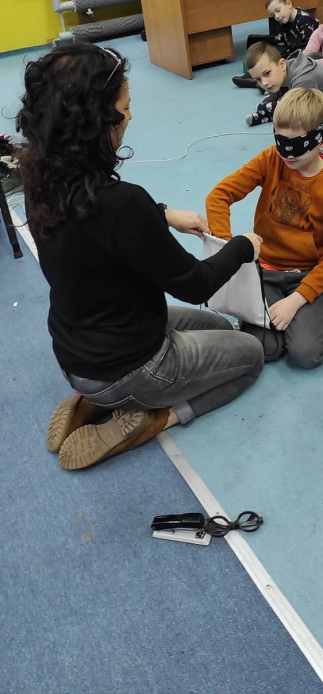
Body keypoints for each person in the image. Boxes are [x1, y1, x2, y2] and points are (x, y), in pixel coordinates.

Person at [16, 43, 264, 471]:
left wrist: (163, 214)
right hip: (130, 363)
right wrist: (243, 246)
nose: (130, 116)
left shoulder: (41, 180)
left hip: (78, 350)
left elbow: (99, 226)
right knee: (250, 354)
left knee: (219, 326)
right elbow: (196, 284)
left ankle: (93, 399)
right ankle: (155, 419)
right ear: (98, 122)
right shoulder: (123, 204)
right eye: (125, 108)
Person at [206, 88, 323, 367]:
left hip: (307, 272)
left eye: (296, 146)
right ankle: (312, 307)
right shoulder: (271, 159)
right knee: (266, 348)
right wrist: (227, 248)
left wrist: (297, 300)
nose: (287, 154)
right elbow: (219, 195)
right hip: (265, 270)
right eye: (280, 142)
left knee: (305, 354)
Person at [232, 0, 319, 88]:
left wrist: (286, 60)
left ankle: (258, 82)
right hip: (290, 58)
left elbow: (309, 50)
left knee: (278, 73)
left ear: (289, 4)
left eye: (278, 10)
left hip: (306, 59)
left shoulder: (305, 20)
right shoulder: (282, 21)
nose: (276, 16)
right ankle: (255, 78)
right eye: (273, 15)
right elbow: (280, 45)